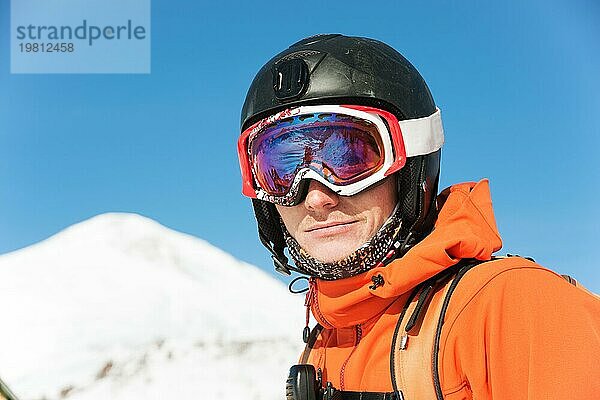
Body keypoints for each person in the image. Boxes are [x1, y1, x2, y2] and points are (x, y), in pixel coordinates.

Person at [237, 34, 600, 400]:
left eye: (348, 159)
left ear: (410, 167)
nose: (315, 197)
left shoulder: (515, 309)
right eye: (280, 170)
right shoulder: (324, 342)